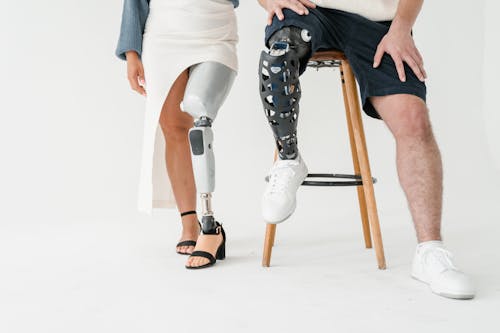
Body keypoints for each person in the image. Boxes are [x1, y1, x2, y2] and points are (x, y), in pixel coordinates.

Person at [257, 0, 475, 299]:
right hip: (310, 12)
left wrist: (402, 28)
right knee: (279, 55)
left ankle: (430, 251)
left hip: (380, 24)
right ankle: (288, 158)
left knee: (414, 121)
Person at [116, 0, 239, 269]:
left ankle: (210, 229)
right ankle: (191, 223)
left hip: (212, 24)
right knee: (173, 128)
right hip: (163, 30)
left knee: (201, 115)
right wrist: (131, 52)